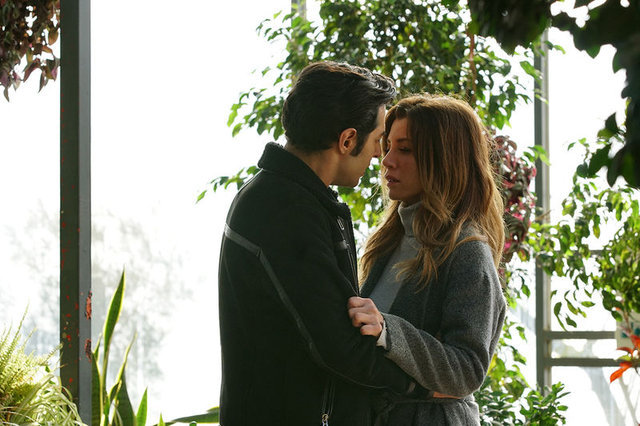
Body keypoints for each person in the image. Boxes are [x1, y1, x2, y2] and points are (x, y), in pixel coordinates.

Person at [218, 62, 425, 426]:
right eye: (378, 140)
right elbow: (339, 345)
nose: (379, 155)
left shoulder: (291, 198)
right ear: (347, 140)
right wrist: (423, 385)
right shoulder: (285, 210)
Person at [347, 94, 507, 425]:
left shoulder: (467, 251)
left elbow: (467, 370)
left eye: (404, 149)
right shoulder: (389, 241)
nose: (386, 161)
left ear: (444, 159)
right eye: (387, 146)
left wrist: (389, 331)